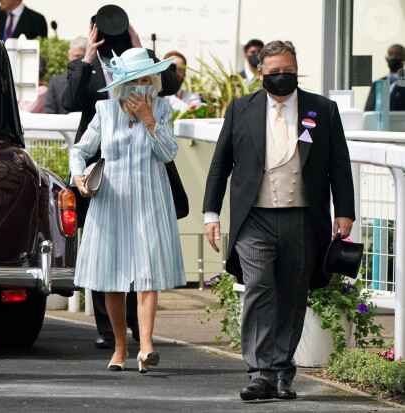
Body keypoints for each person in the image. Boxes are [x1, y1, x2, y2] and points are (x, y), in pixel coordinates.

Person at [203, 40, 355, 400]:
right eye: (274, 73)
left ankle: (283, 371)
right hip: (254, 218)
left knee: (292, 294)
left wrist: (344, 211)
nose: (282, 77)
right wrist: (212, 213)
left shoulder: (322, 109)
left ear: (297, 69)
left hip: (303, 219)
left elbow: (339, 164)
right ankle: (259, 373)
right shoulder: (241, 108)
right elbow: (220, 164)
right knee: (259, 288)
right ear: (260, 73)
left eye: (288, 71)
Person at [62, 4, 182, 350]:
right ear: (123, 83)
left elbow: (169, 152)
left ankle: (146, 345)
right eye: (136, 80)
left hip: (148, 198)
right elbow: (79, 145)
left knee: (146, 278)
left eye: (148, 79)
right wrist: (78, 175)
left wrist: (149, 121)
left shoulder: (160, 107)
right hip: (112, 199)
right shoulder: (104, 107)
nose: (143, 86)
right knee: (111, 277)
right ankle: (118, 344)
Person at [43, 37, 87, 115]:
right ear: (69, 56)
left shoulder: (96, 80)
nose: (79, 60)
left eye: (83, 57)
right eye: (77, 56)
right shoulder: (55, 82)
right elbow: (49, 113)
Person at [364, 44, 405, 111]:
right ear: (386, 58)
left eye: (398, 54)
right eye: (390, 54)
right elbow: (369, 109)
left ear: (404, 57)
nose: (394, 57)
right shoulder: (377, 83)